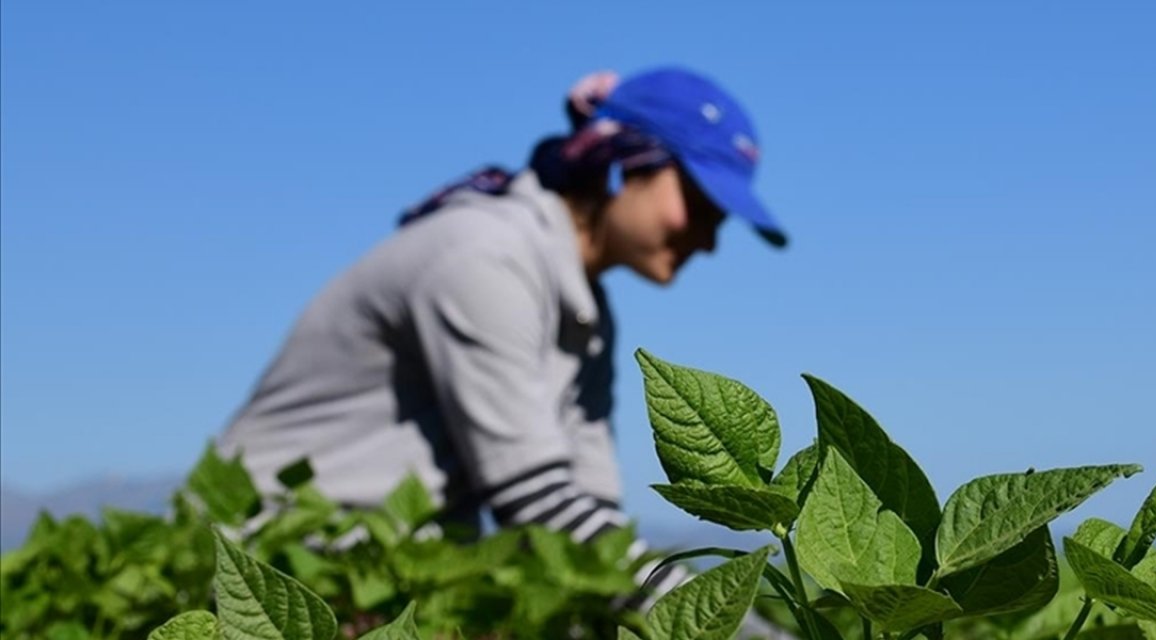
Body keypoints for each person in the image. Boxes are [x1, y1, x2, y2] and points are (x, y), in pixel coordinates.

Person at [217, 66, 787, 611]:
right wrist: (722, 626)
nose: (709, 239)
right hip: (262, 557)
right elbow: (536, 504)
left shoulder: (584, 311)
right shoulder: (483, 257)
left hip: (377, 568)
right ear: (622, 164)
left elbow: (593, 515)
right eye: (701, 205)